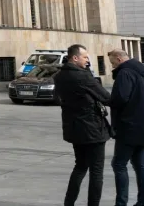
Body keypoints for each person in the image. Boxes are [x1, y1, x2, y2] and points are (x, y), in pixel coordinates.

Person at [54, 44, 111, 206]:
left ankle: (68, 203)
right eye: (85, 57)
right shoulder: (83, 76)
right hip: (93, 129)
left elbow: (58, 99)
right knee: (96, 171)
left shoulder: (59, 76)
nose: (88, 60)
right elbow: (106, 97)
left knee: (80, 167)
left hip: (74, 129)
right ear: (75, 58)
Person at [107, 49, 144, 206]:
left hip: (128, 126)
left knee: (118, 164)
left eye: (112, 63)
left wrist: (107, 100)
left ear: (119, 59)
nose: (112, 67)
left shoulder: (125, 73)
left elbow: (120, 98)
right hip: (141, 126)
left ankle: (121, 203)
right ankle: (142, 202)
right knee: (140, 165)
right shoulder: (139, 73)